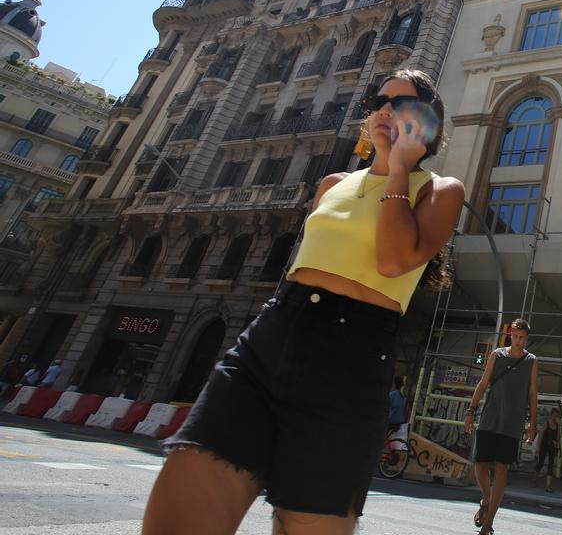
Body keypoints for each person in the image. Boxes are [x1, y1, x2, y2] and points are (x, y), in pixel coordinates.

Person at [143, 69, 464, 535]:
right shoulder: (333, 184)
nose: (384, 110)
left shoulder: (439, 189)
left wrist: (398, 167)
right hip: (271, 340)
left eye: (401, 103)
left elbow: (394, 261)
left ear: (427, 121)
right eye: (377, 101)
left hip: (351, 363)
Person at [463, 319, 538, 535]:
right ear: (510, 334)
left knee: (502, 469)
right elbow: (483, 383)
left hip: (513, 423)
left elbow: (533, 393)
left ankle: (489, 523)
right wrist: (470, 410)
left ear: (526, 338)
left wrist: (532, 424)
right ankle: (486, 499)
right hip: (490, 417)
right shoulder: (497, 355)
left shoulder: (531, 361)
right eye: (515, 336)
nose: (518, 340)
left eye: (522, 338)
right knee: (480, 465)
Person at [533, 407, 560, 491]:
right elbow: (540, 437)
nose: (554, 418)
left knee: (550, 465)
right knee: (541, 463)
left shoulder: (557, 426)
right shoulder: (546, 424)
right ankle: (535, 478)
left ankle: (548, 486)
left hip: (552, 447)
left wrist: (557, 444)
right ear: (550, 415)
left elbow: (558, 437)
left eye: (556, 416)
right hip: (544, 446)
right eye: (553, 415)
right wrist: (538, 448)